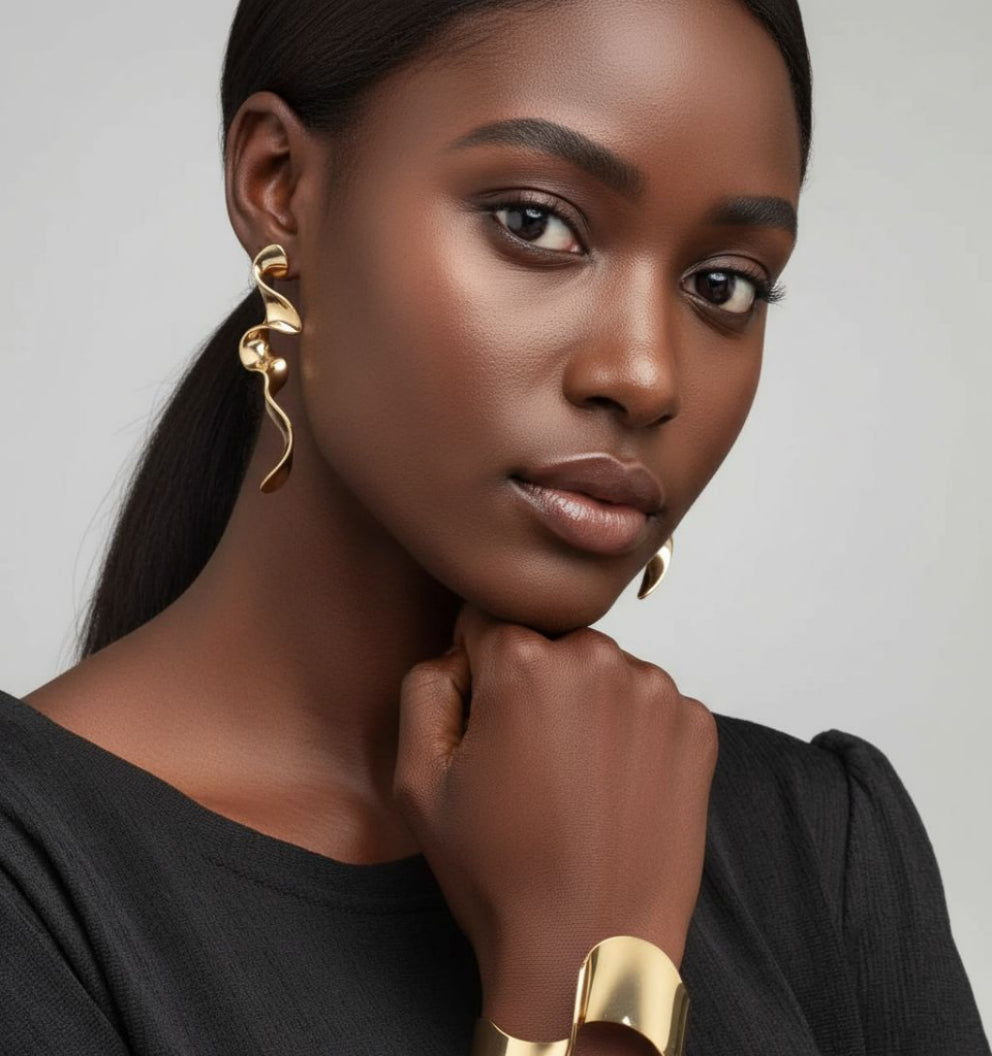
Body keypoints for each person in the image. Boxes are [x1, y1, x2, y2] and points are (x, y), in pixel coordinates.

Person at [1, 0, 988, 1053]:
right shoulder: (38, 893)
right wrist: (591, 976)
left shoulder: (816, 848)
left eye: (721, 284)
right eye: (535, 223)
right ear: (278, 185)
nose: (645, 375)